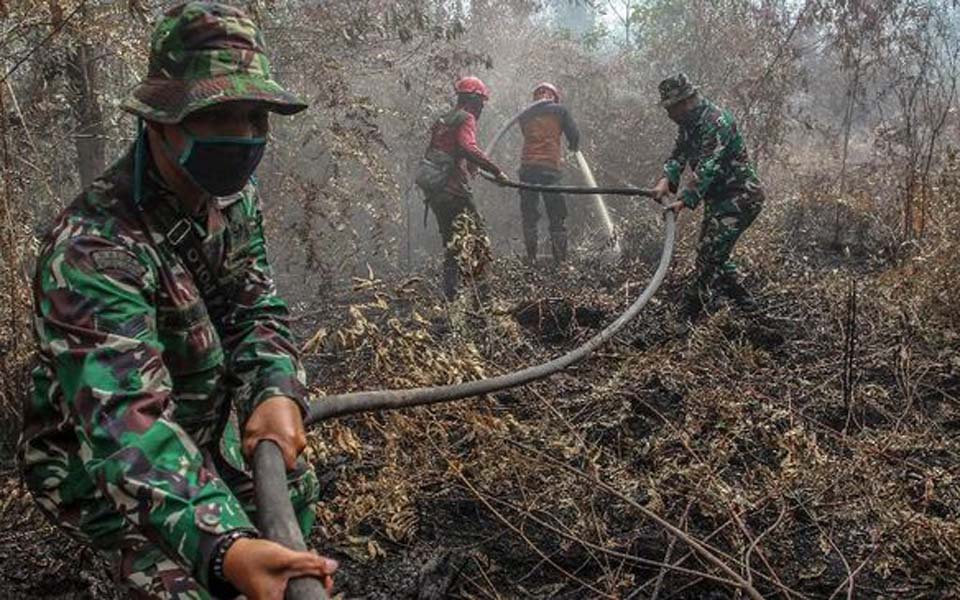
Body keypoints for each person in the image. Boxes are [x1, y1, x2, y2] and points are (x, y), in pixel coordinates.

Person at [19, 3, 337, 598]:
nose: (243, 139)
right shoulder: (94, 247)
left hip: (199, 427)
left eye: (254, 117)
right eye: (218, 116)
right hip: (94, 463)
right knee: (190, 584)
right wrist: (226, 550)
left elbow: (256, 310)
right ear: (160, 121)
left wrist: (275, 390)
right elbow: (126, 426)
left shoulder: (234, 199)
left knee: (294, 486)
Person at [651, 74, 764, 317]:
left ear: (686, 102)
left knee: (708, 256)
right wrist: (666, 179)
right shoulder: (688, 125)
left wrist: (684, 200)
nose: (669, 114)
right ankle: (748, 305)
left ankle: (689, 313)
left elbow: (707, 166)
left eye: (671, 108)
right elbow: (678, 154)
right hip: (719, 201)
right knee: (715, 254)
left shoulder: (716, 122)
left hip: (741, 198)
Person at [419, 76, 508, 300]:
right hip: (453, 192)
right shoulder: (467, 117)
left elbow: (448, 148)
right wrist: (496, 171)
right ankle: (484, 299)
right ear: (474, 100)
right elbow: (467, 146)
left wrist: (471, 166)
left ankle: (451, 299)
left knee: (451, 245)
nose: (482, 108)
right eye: (482, 103)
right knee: (479, 240)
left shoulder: (443, 119)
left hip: (435, 194)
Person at [517, 82, 580, 265]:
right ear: (553, 96)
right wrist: (573, 148)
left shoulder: (524, 114)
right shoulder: (560, 111)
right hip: (549, 170)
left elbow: (527, 134)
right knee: (556, 215)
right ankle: (560, 262)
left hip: (527, 169)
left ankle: (531, 258)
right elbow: (574, 136)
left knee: (529, 215)